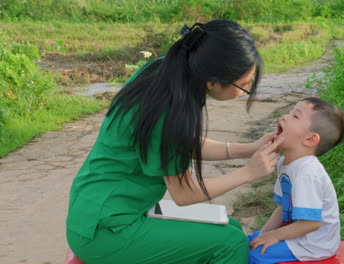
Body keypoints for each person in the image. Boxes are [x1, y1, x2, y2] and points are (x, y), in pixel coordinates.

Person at [66, 19, 284, 264]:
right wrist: (249, 173)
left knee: (231, 226)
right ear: (212, 81)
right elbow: (184, 194)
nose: (245, 91)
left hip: (97, 210)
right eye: (243, 85)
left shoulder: (164, 71)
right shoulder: (169, 107)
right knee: (229, 243)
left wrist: (249, 149)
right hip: (106, 231)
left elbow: (176, 144)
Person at [248, 97, 344, 264]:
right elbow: (283, 207)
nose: (285, 116)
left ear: (310, 139)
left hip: (314, 245)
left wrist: (274, 235)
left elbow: (310, 224)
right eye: (290, 112)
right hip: (296, 234)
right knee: (246, 242)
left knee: (256, 256)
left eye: (295, 116)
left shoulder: (307, 172)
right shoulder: (285, 162)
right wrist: (264, 233)